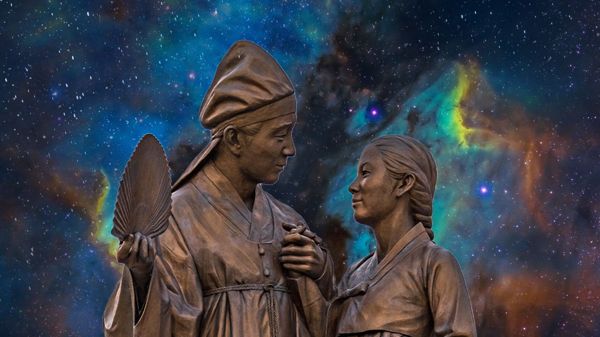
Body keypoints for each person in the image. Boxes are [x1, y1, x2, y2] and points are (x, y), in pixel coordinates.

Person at [103, 40, 334, 337]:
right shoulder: (175, 220)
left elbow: (330, 324)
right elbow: (154, 327)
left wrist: (321, 273)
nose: (290, 149)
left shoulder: (289, 223)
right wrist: (143, 276)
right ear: (235, 139)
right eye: (279, 136)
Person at [325, 135, 477, 337]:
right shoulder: (354, 274)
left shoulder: (435, 264)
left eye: (365, 173)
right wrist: (314, 276)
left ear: (404, 183)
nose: (353, 186)